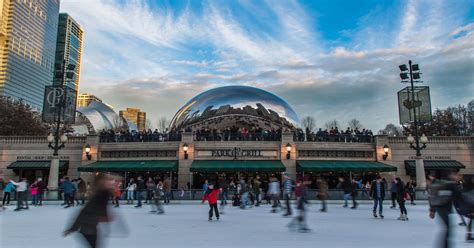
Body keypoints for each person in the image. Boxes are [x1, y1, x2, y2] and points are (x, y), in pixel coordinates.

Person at [63, 173, 114, 248]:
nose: (111, 182)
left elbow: (102, 208)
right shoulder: (100, 195)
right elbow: (84, 212)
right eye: (108, 180)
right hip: (88, 228)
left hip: (90, 227)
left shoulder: (102, 194)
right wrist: (72, 228)